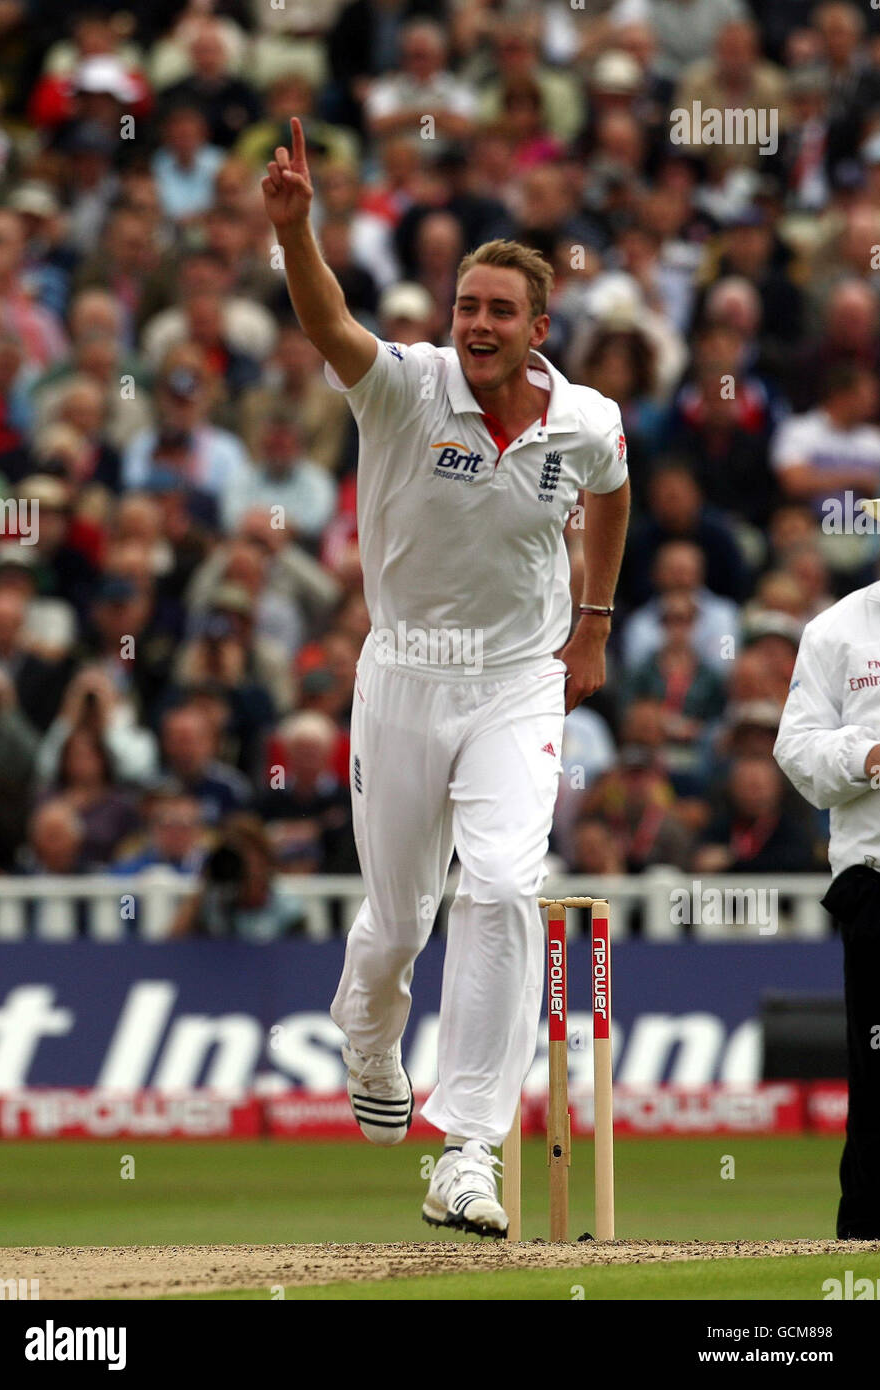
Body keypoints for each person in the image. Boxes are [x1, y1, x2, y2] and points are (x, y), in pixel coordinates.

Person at [261, 117, 630, 1236]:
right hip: (404, 675)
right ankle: (367, 1039)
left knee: (505, 886)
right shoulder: (408, 388)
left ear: (536, 328)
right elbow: (328, 322)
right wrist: (295, 232)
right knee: (395, 918)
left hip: (518, 680)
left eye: (496, 312)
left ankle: (465, 1147)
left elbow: (610, 490)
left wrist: (595, 623)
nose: (474, 325)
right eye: (465, 307)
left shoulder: (583, 420)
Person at [774, 493, 880, 1238]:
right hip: (878, 883)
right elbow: (797, 749)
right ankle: (868, 1248)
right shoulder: (839, 629)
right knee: (879, 1081)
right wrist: (868, 756)